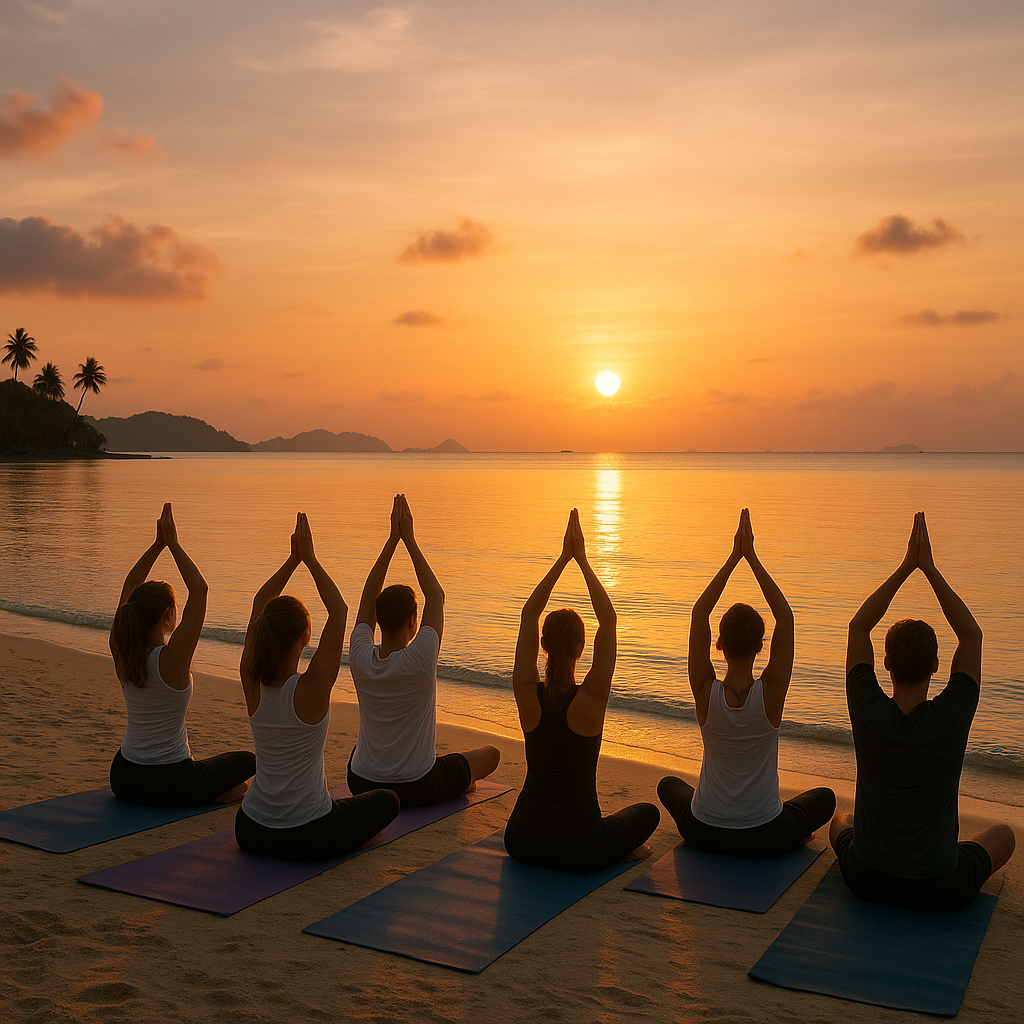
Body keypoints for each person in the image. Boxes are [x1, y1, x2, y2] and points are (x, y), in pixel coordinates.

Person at [830, 511, 1015, 910]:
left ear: (886, 665)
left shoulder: (867, 709)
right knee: (1004, 834)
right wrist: (928, 569)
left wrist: (904, 568)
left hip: (866, 877)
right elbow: (972, 634)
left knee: (840, 821)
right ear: (936, 666)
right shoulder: (952, 716)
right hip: (938, 886)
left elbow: (858, 628)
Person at [658, 508, 835, 857]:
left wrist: (732, 557)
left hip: (704, 831)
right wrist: (751, 558)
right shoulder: (769, 695)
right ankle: (792, 834)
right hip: (764, 836)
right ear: (760, 646)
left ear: (719, 644)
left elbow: (699, 613)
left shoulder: (706, 692)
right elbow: (785, 616)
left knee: (668, 786)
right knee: (826, 799)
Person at [234, 513, 400, 862]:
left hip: (251, 828)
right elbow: (338, 610)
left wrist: (291, 561)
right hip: (308, 833)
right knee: (388, 801)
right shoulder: (311, 688)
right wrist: (308, 559)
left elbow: (258, 605)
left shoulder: (250, 679)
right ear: (304, 638)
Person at [504, 508, 660, 872]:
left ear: (543, 645)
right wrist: (583, 561)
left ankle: (618, 848)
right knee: (647, 813)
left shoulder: (527, 694)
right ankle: (620, 851)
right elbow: (609, 620)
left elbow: (528, 614)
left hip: (522, 840)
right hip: (581, 849)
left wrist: (562, 560)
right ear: (580, 649)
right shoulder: (590, 700)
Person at [346, 494, 500, 807]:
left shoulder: (360, 656)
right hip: (416, 785)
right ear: (413, 623)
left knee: (361, 750)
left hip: (360, 781)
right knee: (491, 755)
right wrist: (410, 540)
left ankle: (459, 784)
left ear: (378, 621)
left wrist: (392, 541)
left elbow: (366, 598)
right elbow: (437, 596)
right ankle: (461, 785)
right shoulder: (420, 657)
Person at [108, 503, 255, 807]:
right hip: (172, 781)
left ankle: (219, 792)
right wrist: (172, 543)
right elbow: (199, 590)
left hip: (124, 777)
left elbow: (129, 587)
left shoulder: (122, 651)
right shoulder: (171, 659)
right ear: (167, 616)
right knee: (247, 762)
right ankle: (220, 794)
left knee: (230, 777)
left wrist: (157, 545)